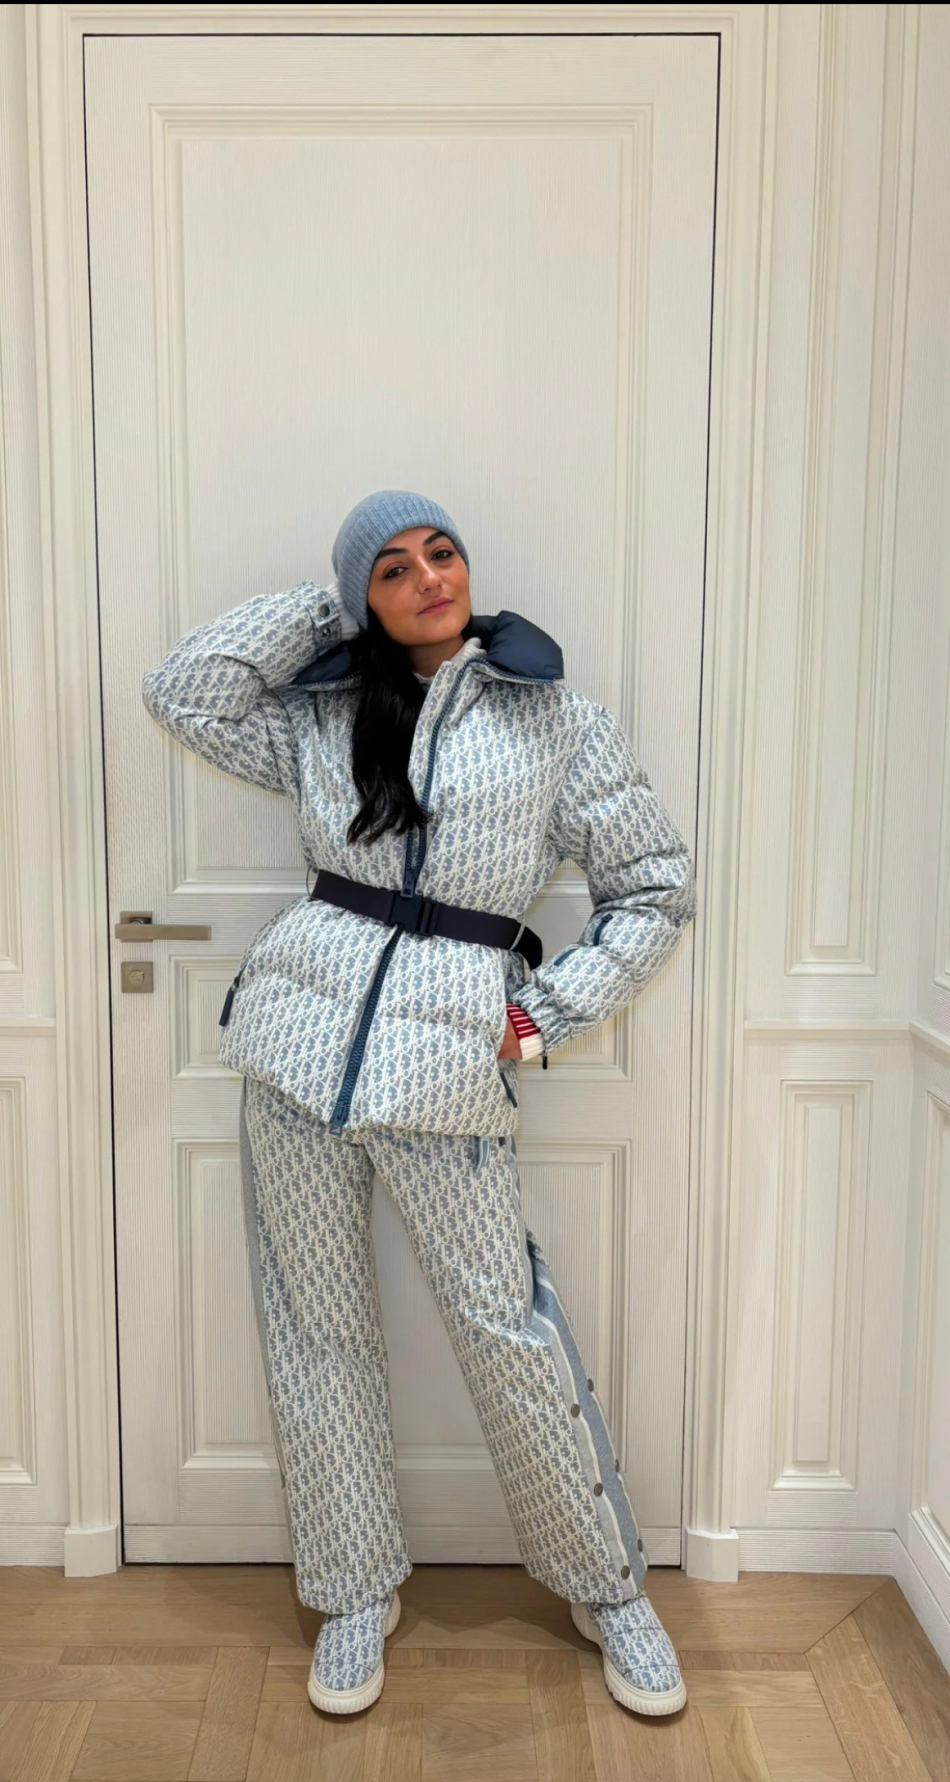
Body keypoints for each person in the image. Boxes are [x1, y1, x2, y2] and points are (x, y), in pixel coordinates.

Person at [142, 489, 697, 1719]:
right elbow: (184, 692)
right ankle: (353, 1593)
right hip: (294, 1047)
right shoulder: (324, 713)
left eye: (440, 553)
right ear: (366, 601)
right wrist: (323, 606)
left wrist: (543, 1017)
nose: (429, 578)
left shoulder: (557, 720)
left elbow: (655, 886)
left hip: (444, 1063)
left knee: (507, 1329)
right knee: (315, 1330)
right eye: (391, 569)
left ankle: (608, 1588)